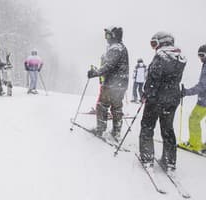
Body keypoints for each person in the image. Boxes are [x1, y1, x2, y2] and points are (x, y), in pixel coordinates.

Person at [139, 32, 186, 171]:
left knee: (147, 126)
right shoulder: (180, 57)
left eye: (155, 43)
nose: (154, 47)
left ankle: (147, 158)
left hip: (156, 99)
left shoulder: (161, 56)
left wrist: (146, 93)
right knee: (167, 129)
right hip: (172, 99)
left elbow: (153, 79)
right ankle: (169, 160)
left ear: (163, 42)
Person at [87, 26, 129, 140]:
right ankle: (116, 131)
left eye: (109, 35)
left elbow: (109, 65)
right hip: (121, 83)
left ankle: (100, 129)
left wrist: (96, 72)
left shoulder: (115, 48)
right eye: (106, 35)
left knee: (102, 105)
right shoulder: (122, 48)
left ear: (114, 36)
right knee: (116, 107)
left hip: (112, 83)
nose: (106, 38)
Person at [179, 44, 206, 153]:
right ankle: (197, 143)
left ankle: (195, 145)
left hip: (204, 101)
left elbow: (202, 86)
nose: (200, 57)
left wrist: (186, 92)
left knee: (193, 119)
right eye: (199, 55)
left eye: (202, 55)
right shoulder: (204, 64)